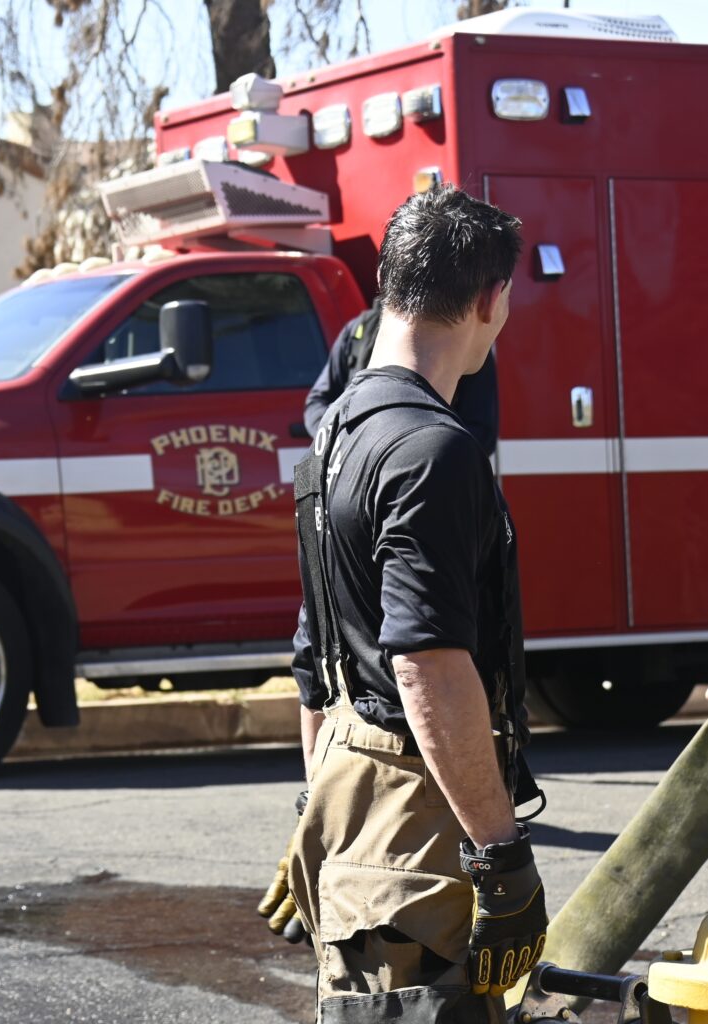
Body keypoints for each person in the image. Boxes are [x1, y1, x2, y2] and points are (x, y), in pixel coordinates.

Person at [286, 185, 545, 1024]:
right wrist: (499, 855)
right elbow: (427, 663)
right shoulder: (433, 450)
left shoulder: (332, 437)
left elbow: (313, 656)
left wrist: (319, 808)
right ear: (488, 300)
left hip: (351, 805)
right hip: (416, 825)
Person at [303, 298, 500, 458]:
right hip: (360, 480)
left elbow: (482, 432)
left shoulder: (463, 341)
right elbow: (316, 404)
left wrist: (417, 456)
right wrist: (347, 439)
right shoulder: (357, 332)